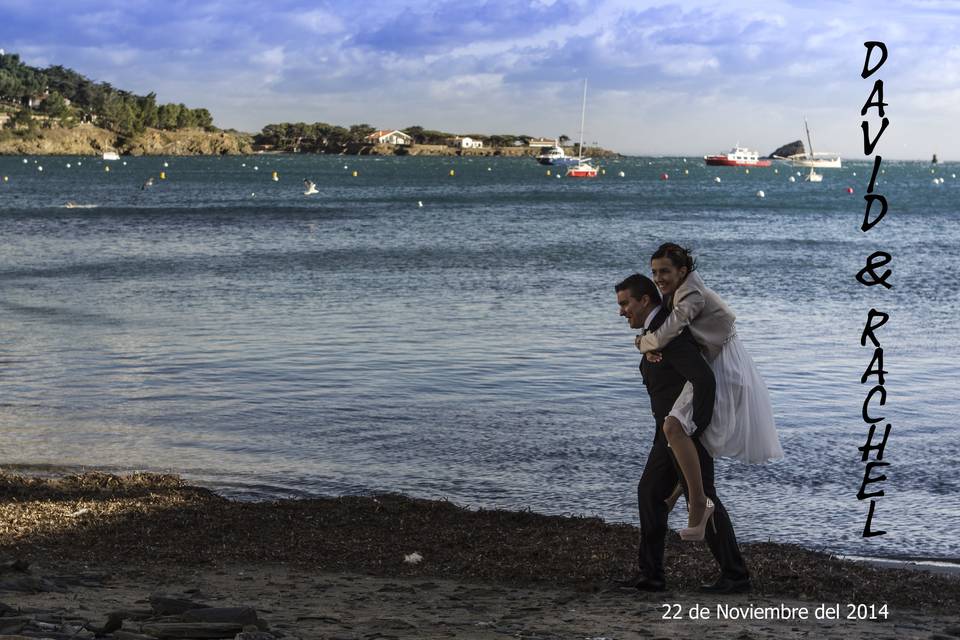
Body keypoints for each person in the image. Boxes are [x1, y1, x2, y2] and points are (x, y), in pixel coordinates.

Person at [638, 243, 783, 541]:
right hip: (714, 360)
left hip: (724, 365)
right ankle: (686, 494)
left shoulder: (691, 293)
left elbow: (670, 329)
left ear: (683, 270)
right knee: (683, 434)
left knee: (675, 428)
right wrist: (646, 342)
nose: (658, 278)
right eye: (654, 272)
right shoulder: (675, 292)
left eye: (665, 271)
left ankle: (697, 504)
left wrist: (644, 343)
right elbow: (662, 331)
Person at [615, 273, 750, 593]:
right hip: (667, 432)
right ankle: (651, 574)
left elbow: (703, 379)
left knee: (702, 497)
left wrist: (695, 427)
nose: (621, 311)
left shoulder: (669, 332)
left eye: (625, 304)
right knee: (651, 493)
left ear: (644, 300)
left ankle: (735, 575)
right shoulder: (658, 331)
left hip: (683, 433)